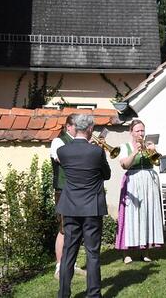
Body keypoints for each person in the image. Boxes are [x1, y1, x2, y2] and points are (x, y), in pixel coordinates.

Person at [56, 114, 111, 298]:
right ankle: (93, 295)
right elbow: (107, 174)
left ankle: (63, 294)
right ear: (88, 129)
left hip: (70, 207)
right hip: (91, 208)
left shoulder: (63, 151)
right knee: (93, 253)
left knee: (68, 252)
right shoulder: (96, 151)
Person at [115, 119, 164, 264]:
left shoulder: (149, 145)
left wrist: (153, 150)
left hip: (149, 183)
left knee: (147, 215)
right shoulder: (125, 147)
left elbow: (158, 162)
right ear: (131, 132)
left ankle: (145, 251)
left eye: (142, 130)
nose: (140, 133)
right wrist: (135, 152)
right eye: (137, 131)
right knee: (131, 217)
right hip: (133, 183)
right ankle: (126, 253)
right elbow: (124, 165)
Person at [50, 113, 81, 279]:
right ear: (68, 126)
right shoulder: (58, 141)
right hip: (63, 189)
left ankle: (72, 264)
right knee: (63, 229)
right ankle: (59, 266)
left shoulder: (77, 141)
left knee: (75, 228)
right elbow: (62, 159)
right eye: (77, 126)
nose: (80, 129)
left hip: (76, 189)